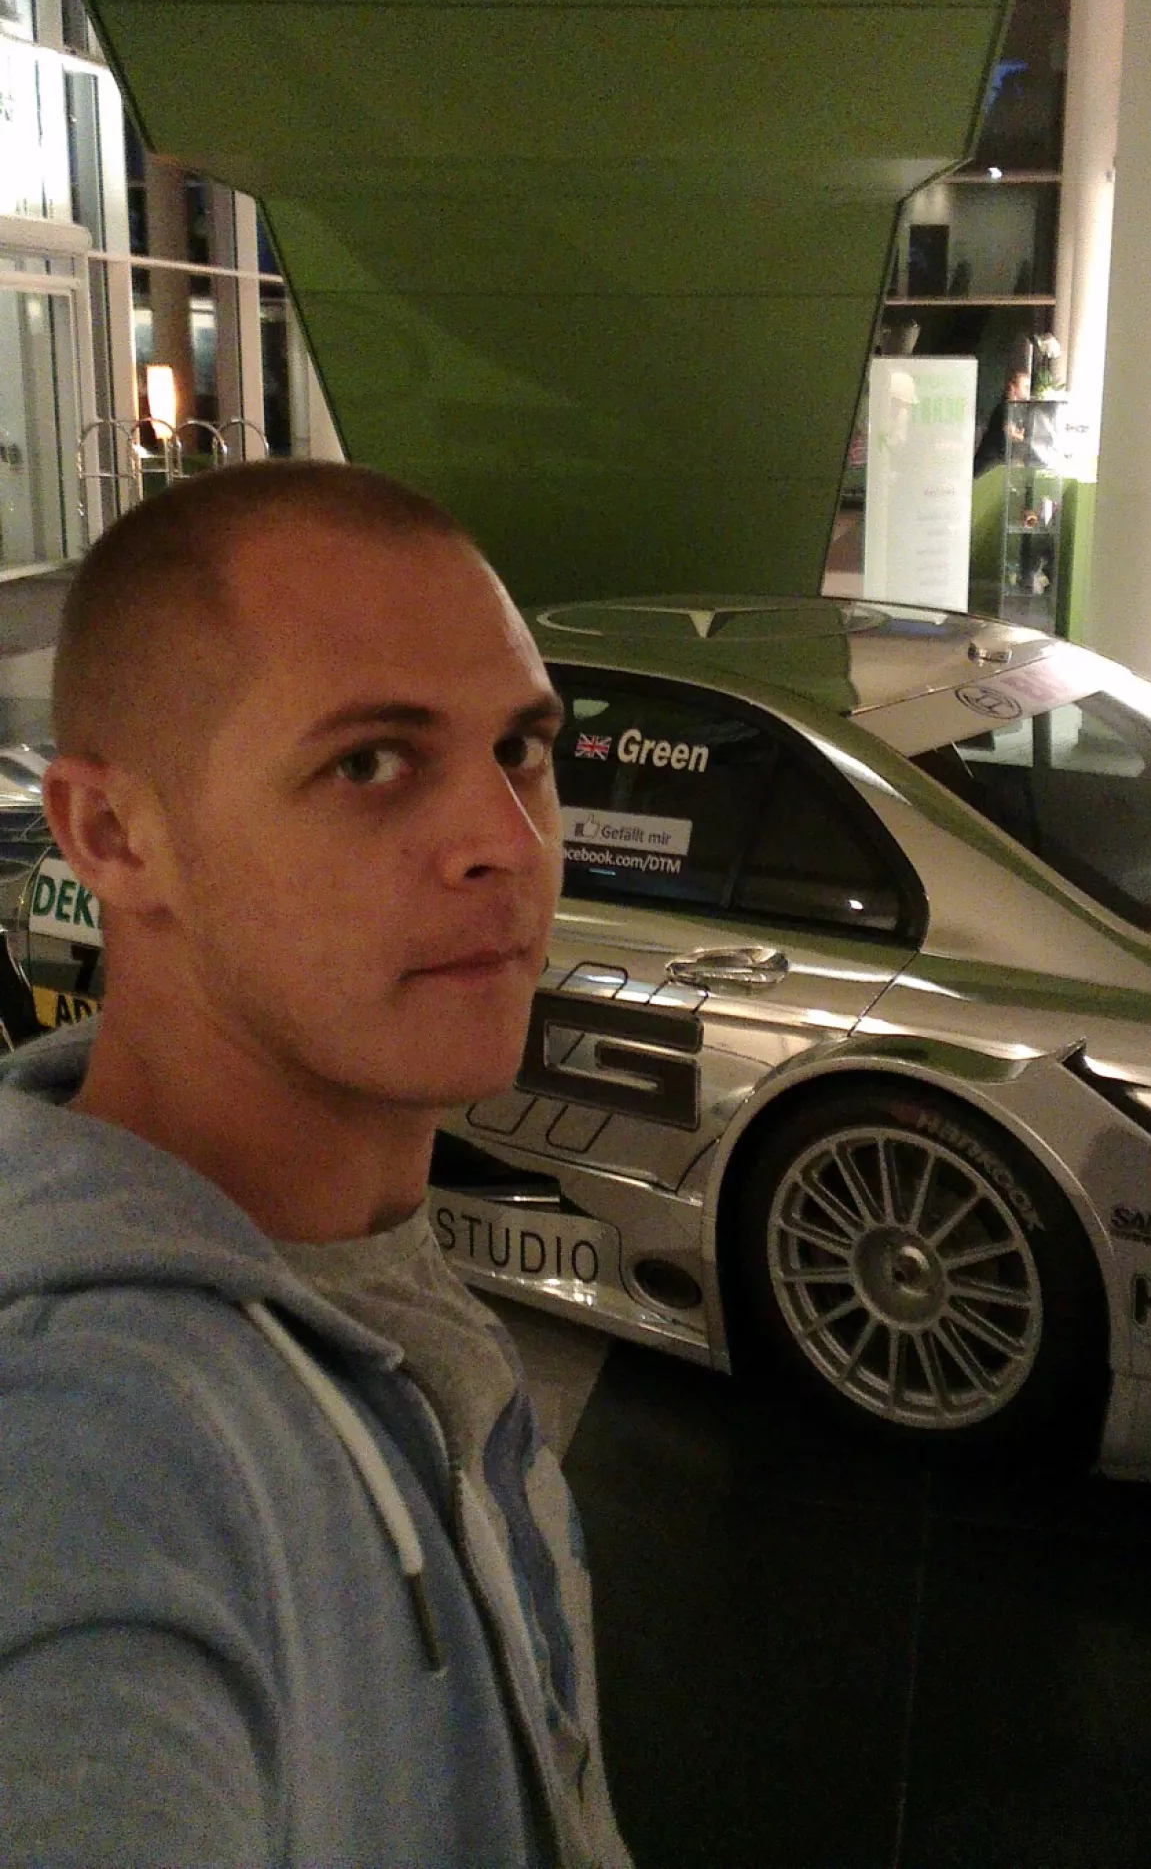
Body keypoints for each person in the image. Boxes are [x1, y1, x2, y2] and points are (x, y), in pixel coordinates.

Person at [0, 460, 632, 1869]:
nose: (508, 842)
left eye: (521, 748)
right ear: (112, 836)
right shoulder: (94, 1443)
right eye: (369, 763)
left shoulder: (361, 1258)